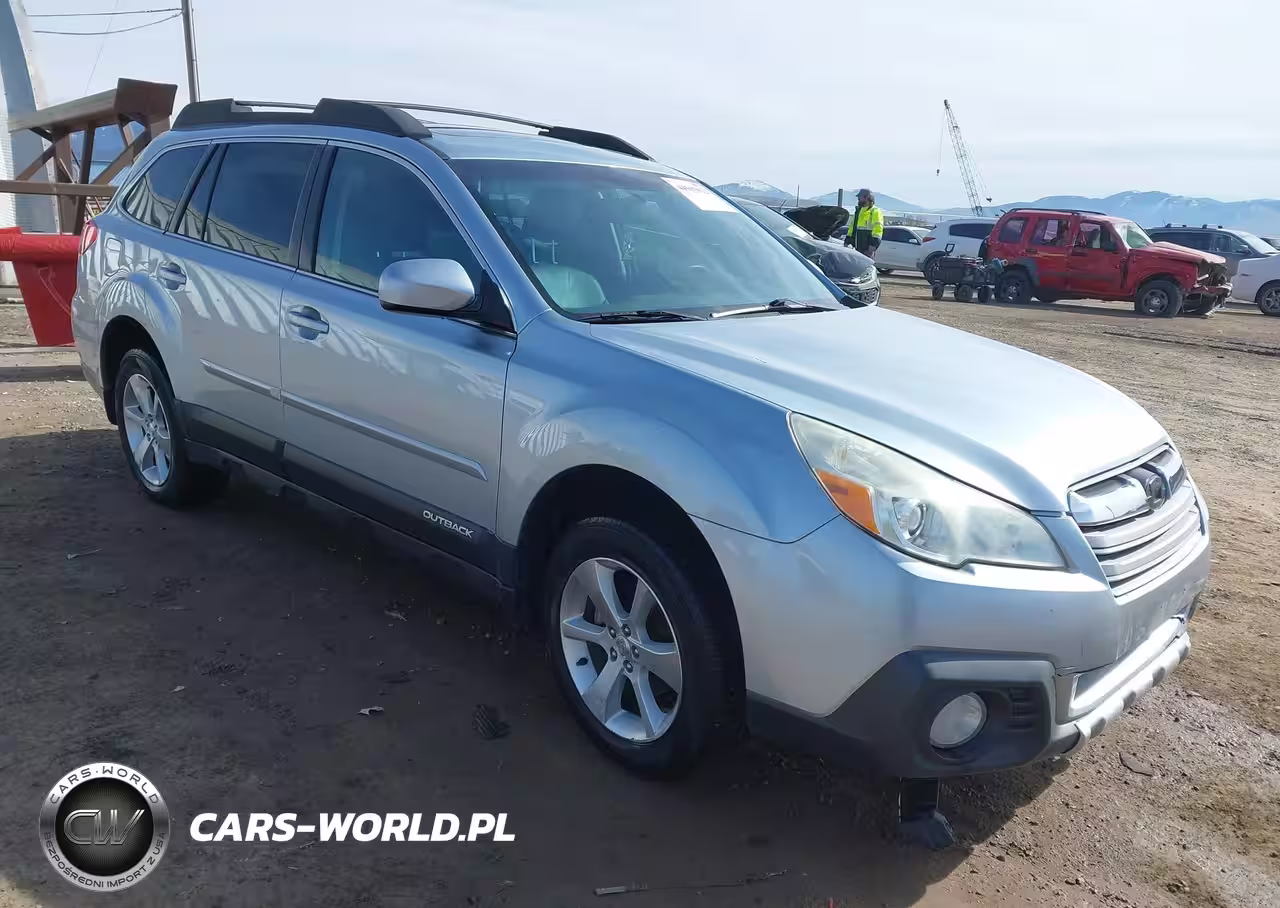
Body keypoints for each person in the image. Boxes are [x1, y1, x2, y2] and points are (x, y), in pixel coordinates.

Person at [845, 188, 884, 256]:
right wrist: (848, 239)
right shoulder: (858, 211)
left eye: (860, 197)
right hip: (856, 246)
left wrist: (874, 244)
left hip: (867, 248)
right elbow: (852, 226)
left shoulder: (875, 211)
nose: (858, 199)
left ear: (867, 198)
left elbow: (878, 228)